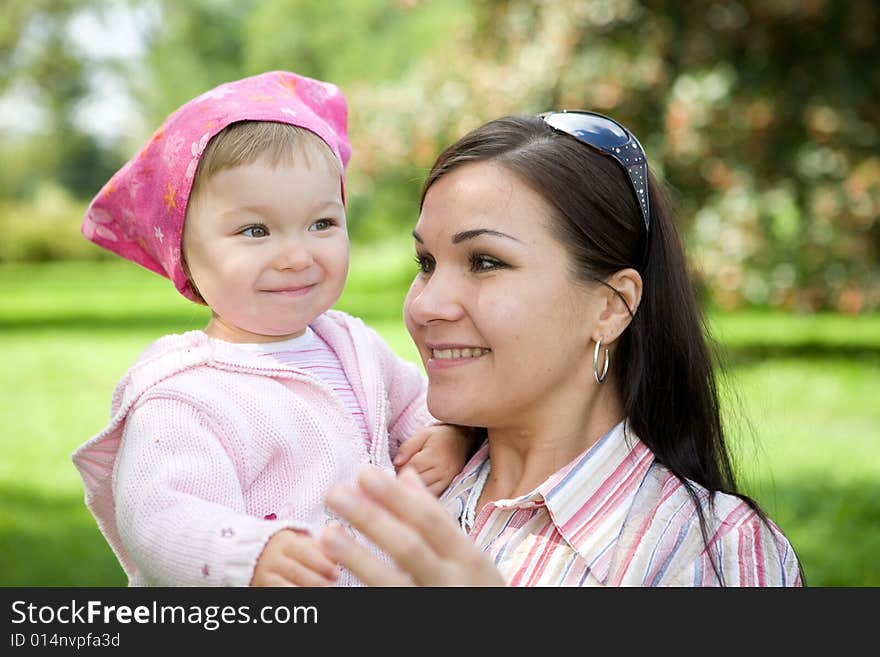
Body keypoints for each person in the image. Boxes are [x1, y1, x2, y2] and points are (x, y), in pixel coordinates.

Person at [315, 111, 805, 586]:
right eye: (426, 262)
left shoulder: (715, 551)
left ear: (611, 307)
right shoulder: (386, 476)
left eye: (485, 261)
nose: (427, 306)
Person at [71, 71, 473, 587]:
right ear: (185, 259)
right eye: (255, 231)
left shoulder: (353, 346)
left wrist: (445, 436)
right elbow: (159, 516)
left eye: (322, 224)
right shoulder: (184, 395)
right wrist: (249, 556)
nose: (295, 255)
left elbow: (420, 405)